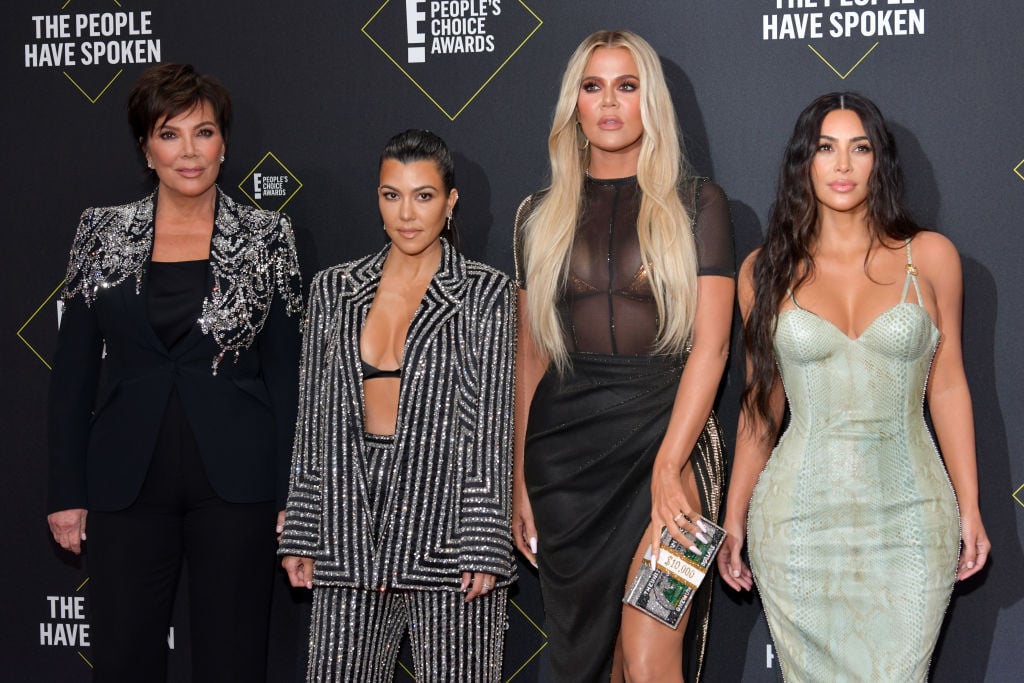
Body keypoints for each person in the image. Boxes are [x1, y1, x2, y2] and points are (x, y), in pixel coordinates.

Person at [717, 92, 991, 681]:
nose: (842, 165)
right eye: (825, 148)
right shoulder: (762, 272)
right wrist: (734, 516)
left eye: (859, 148)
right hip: (797, 524)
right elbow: (761, 408)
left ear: (879, 162)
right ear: (803, 163)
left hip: (911, 518)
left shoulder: (931, 258)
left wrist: (970, 506)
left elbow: (947, 388)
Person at [46, 63, 303, 682]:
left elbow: (289, 378)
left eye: (204, 132)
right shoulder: (100, 232)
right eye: (170, 134)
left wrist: (297, 497)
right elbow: (72, 376)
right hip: (125, 486)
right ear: (145, 147)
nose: (189, 151)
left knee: (233, 660)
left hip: (237, 487)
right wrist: (66, 493)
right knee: (124, 659)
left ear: (224, 143)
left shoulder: (267, 237)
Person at [512, 30, 735, 682]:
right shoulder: (537, 216)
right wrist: (521, 478)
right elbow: (530, 359)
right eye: (593, 86)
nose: (610, 103)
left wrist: (670, 463)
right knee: (591, 662)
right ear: (573, 105)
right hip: (566, 466)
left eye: (627, 85)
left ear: (650, 101)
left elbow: (713, 345)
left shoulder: (699, 204)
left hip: (677, 445)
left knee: (649, 650)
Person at [279, 129, 516, 683]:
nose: (406, 213)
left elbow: (490, 423)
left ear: (451, 200)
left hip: (448, 526)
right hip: (347, 522)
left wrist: (484, 539)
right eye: (392, 195)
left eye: (424, 195)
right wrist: (305, 526)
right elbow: (315, 418)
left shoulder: (485, 293)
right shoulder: (334, 289)